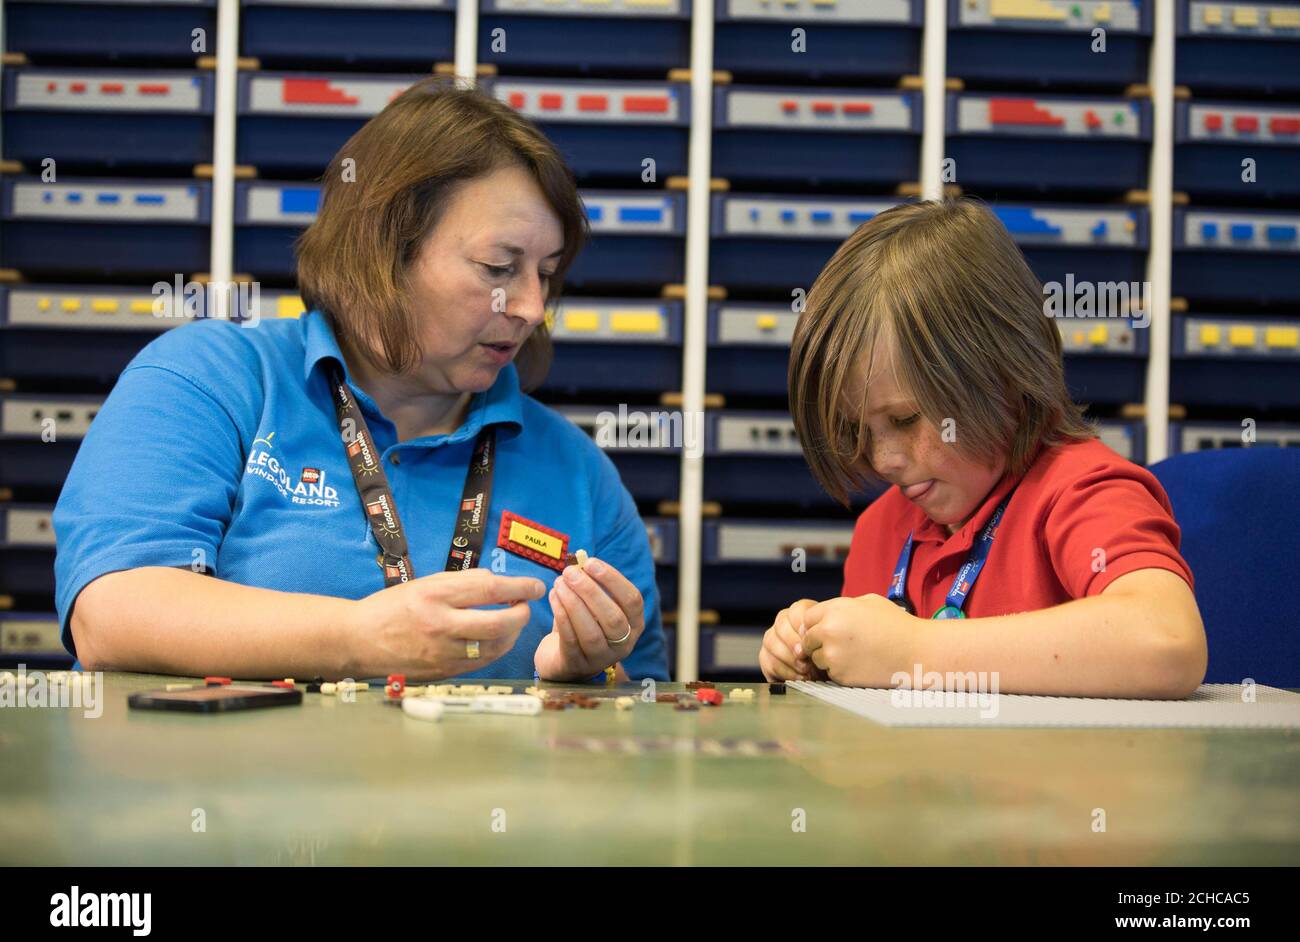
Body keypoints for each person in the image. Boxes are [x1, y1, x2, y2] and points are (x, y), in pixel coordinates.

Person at [53, 78, 669, 683]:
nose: (533, 307)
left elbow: (643, 708)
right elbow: (110, 613)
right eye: (499, 267)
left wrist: (582, 676)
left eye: (548, 272)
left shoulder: (579, 473)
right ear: (382, 252)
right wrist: (363, 638)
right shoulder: (209, 379)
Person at [760, 198, 1206, 698]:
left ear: (1002, 375)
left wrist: (914, 651)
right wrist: (819, 653)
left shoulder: (1081, 492)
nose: (883, 459)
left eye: (905, 419)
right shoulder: (881, 530)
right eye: (856, 429)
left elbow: (1168, 644)